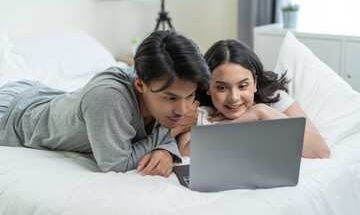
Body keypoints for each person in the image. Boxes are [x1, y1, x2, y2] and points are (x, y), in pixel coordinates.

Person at [0, 30, 211, 177]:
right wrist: (173, 133)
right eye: (170, 98)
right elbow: (116, 165)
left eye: (189, 96)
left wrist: (165, 150)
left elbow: (160, 135)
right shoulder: (108, 97)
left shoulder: (164, 84)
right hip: (12, 113)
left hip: (41, 95)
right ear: (140, 83)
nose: (183, 110)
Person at [176, 39, 330, 159]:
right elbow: (185, 151)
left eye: (242, 86)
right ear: (208, 87)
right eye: (222, 88)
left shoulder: (274, 101)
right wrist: (237, 123)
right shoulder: (197, 111)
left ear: (255, 83)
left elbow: (321, 150)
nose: (234, 98)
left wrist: (260, 111)